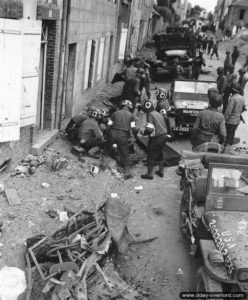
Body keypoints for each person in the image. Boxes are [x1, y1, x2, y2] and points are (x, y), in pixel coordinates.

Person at [104, 100, 138, 179]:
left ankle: (103, 165)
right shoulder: (131, 115)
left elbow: (108, 125)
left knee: (107, 149)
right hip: (122, 135)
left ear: (121, 105)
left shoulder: (115, 113)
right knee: (125, 153)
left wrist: (108, 134)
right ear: (129, 107)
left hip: (112, 133)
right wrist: (135, 136)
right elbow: (133, 129)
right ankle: (126, 172)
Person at [140, 100, 169, 180]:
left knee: (151, 155)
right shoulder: (158, 113)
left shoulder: (150, 115)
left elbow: (149, 129)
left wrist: (143, 133)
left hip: (157, 137)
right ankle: (161, 171)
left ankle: (149, 175)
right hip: (164, 135)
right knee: (159, 153)